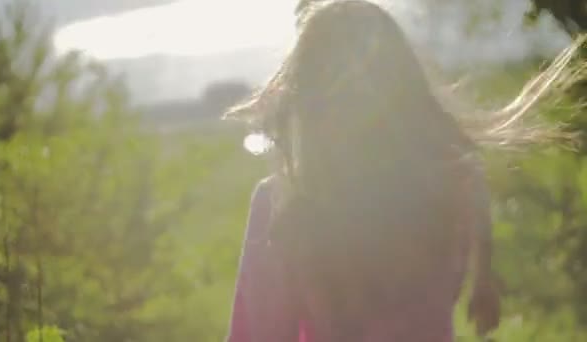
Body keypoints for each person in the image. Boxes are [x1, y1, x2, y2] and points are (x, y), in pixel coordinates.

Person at [224, 0, 581, 341]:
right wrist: (483, 278)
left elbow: (259, 335)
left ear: (306, 101)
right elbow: (473, 187)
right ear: (407, 93)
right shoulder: (446, 188)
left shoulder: (281, 205)